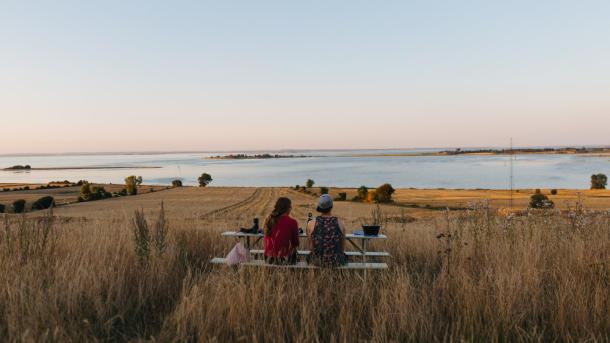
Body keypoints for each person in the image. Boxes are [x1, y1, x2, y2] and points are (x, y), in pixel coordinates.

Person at [306, 194, 348, 266]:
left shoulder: (311, 223)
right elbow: (342, 248)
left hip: (317, 261)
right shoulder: (340, 223)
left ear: (319, 206)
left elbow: (311, 248)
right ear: (331, 206)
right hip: (336, 261)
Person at [264, 197, 300, 264]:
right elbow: (296, 243)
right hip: (284, 258)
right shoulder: (292, 222)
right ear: (288, 208)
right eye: (290, 206)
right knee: (294, 252)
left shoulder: (269, 220)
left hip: (268, 258)